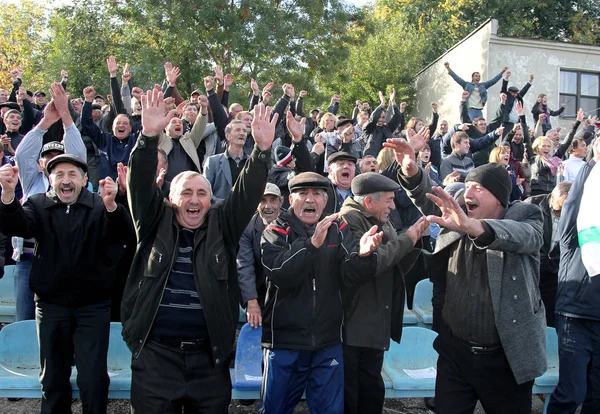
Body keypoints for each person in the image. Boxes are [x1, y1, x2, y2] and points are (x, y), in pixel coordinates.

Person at [121, 89, 278, 413]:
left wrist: (262, 151)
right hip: (155, 359)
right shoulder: (154, 222)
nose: (194, 200)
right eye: (186, 193)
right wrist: (149, 137)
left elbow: (246, 194)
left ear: (211, 200)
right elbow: (138, 185)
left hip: (209, 360)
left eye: (202, 194)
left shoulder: (224, 225)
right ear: (170, 198)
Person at [385, 136, 546, 413]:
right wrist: (411, 171)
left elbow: (526, 237)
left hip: (506, 359)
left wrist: (474, 227)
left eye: (478, 188)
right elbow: (429, 198)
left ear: (499, 198)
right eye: (467, 185)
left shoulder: (525, 215)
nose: (468, 193)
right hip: (455, 355)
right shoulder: (458, 212)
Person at [0, 148, 130, 413]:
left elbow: (123, 234)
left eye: (72, 174)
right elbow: (18, 226)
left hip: (93, 306)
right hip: (50, 306)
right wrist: (7, 196)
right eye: (59, 174)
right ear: (50, 180)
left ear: (84, 180)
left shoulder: (98, 204)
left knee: (93, 378)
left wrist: (112, 206)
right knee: (53, 378)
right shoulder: (37, 204)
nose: (66, 180)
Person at [259, 171, 382, 414]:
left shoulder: (338, 227)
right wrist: (311, 245)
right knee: (275, 410)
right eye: (302, 193)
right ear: (290, 200)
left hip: (328, 342)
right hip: (284, 343)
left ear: (326, 201)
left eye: (317, 194)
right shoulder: (276, 230)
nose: (310, 199)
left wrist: (365, 257)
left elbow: (350, 275)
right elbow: (280, 273)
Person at [339, 172, 428, 414]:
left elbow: (394, 266)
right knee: (352, 394)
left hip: (375, 321)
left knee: (371, 391)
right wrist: (406, 240)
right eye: (388, 200)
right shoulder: (348, 220)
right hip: (354, 325)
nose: (393, 205)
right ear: (369, 201)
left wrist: (414, 241)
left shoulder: (379, 218)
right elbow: (372, 264)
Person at [12, 83, 87, 323]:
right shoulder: (31, 181)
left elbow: (78, 156)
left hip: (64, 260)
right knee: (24, 318)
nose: (54, 161)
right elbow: (22, 155)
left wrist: (66, 116)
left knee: (59, 321)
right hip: (27, 260)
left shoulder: (72, 185)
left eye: (59, 157)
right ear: (41, 163)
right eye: (48, 158)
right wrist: (45, 123)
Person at [547, 137, 600, 413]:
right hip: (574, 318)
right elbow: (576, 199)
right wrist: (593, 161)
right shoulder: (572, 236)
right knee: (572, 393)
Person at [524, 181, 572, 328]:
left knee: (549, 315)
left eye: (567, 208)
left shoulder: (575, 211)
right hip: (531, 268)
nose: (562, 213)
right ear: (552, 197)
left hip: (553, 272)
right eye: (560, 208)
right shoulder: (531, 205)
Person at [237, 183, 282, 328]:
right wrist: (251, 301)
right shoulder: (247, 227)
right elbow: (244, 265)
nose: (268, 206)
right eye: (263, 200)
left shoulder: (291, 222)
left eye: (273, 200)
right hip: (260, 287)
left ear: (281, 202)